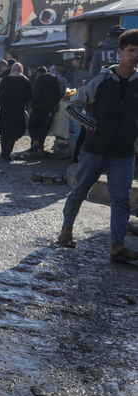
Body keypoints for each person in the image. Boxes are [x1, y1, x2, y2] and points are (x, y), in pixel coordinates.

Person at [59, 28, 138, 262]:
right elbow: (73, 106)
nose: (135, 55)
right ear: (120, 52)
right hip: (95, 149)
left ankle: (118, 245)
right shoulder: (102, 80)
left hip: (124, 152)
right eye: (131, 50)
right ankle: (66, 231)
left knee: (121, 199)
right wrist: (92, 125)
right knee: (80, 192)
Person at [0, 63, 33, 161]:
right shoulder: (25, 80)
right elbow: (29, 96)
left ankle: (3, 151)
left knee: (4, 130)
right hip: (17, 110)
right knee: (13, 132)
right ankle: (7, 152)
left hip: (5, 110)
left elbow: (0, 95)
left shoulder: (5, 80)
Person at [27, 66, 62, 153]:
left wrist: (32, 107)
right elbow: (58, 93)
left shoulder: (38, 80)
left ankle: (35, 141)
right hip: (49, 108)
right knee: (42, 129)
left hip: (38, 107)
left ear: (38, 73)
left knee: (31, 126)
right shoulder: (55, 80)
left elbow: (37, 95)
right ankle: (40, 149)